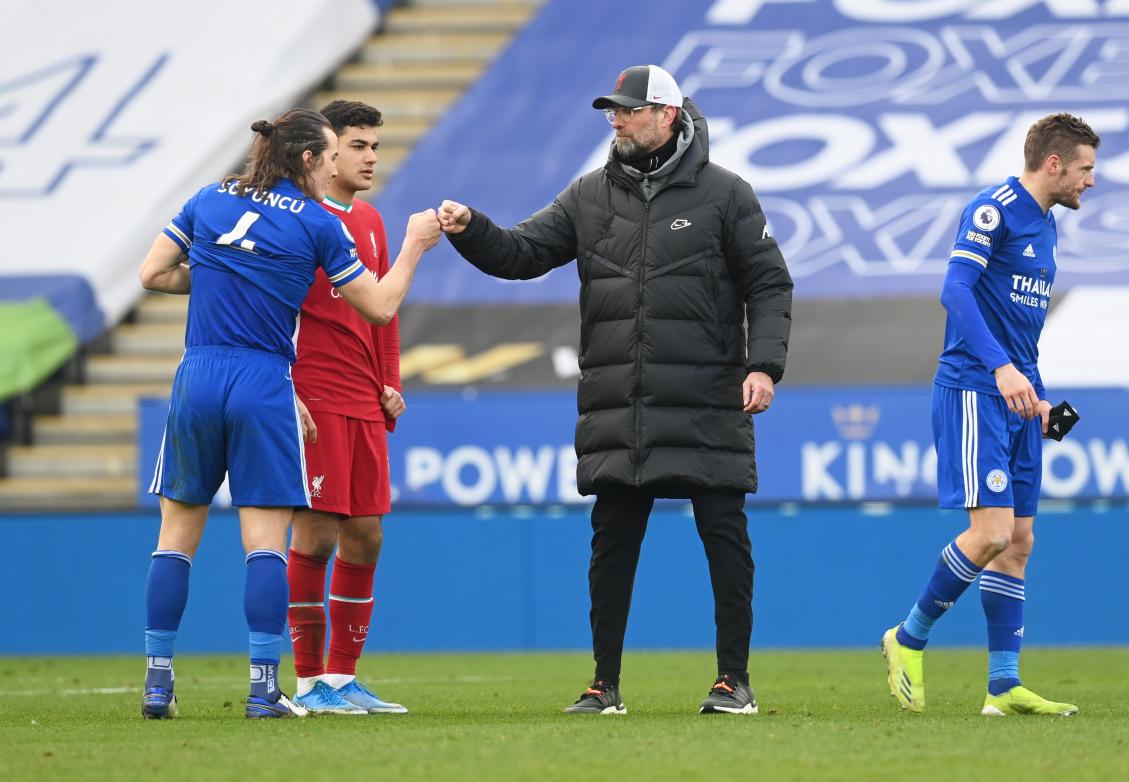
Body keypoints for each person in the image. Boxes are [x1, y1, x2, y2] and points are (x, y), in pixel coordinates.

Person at [437, 65, 793, 715]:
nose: (617, 121)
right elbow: (520, 254)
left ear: (666, 115)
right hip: (620, 408)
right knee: (611, 547)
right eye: (613, 112)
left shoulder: (726, 193)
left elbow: (770, 284)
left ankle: (733, 681)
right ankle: (604, 684)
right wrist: (471, 228)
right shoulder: (588, 195)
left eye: (629, 110)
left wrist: (764, 366)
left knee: (724, 538)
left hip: (708, 400)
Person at [138, 108, 440, 719]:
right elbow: (380, 307)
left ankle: (157, 684)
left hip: (197, 375)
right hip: (265, 381)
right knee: (266, 545)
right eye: (331, 157)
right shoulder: (317, 222)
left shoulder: (209, 197)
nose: (335, 169)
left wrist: (222, 272)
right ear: (308, 158)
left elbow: (153, 274)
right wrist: (415, 247)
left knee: (174, 540)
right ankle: (263, 690)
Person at [881, 113, 1099, 717]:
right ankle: (908, 637)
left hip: (1019, 397)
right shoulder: (992, 209)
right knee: (992, 533)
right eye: (1085, 169)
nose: (1090, 180)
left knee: (1019, 542)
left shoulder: (1048, 225)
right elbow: (954, 290)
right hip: (975, 389)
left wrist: (1036, 395)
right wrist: (1002, 370)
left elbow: (1018, 325)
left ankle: (1003, 686)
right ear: (1053, 163)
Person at [286, 100, 407, 715]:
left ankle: (342, 677)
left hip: (364, 397)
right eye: (357, 146)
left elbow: (384, 310)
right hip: (314, 394)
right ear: (326, 153)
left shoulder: (371, 221)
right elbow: (275, 310)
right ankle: (308, 683)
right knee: (315, 534)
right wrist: (285, 386)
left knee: (366, 535)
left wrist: (390, 380)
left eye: (374, 147)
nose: (369, 157)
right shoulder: (295, 219)